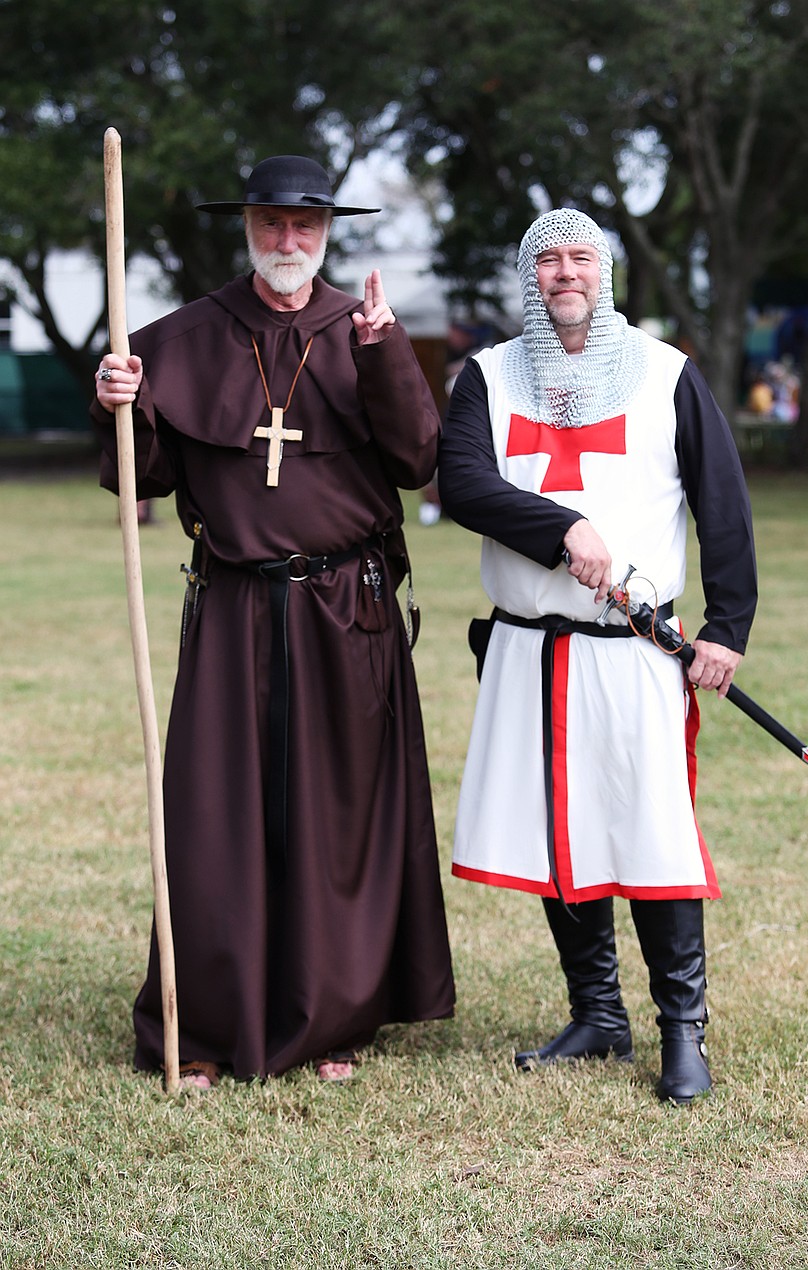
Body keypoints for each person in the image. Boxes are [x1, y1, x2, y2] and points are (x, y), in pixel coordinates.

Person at [92, 155, 455, 1089]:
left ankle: (334, 1017)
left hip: (348, 611)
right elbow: (143, 476)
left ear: (327, 231)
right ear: (247, 225)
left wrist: (382, 353)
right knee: (216, 816)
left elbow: (418, 460)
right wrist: (122, 408)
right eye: (270, 222)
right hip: (233, 608)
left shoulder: (366, 330)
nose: (287, 240)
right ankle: (208, 1024)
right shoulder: (177, 339)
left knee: (340, 818)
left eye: (305, 224)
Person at [438, 208, 757, 1105]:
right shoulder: (489, 377)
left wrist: (727, 627)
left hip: (633, 649)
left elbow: (722, 504)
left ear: (603, 272)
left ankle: (681, 1031)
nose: (565, 272)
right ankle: (598, 1015)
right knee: (559, 831)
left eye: (581, 257)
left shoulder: (664, 374)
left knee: (652, 832)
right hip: (530, 646)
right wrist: (563, 528)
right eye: (548, 259)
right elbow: (463, 484)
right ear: (529, 276)